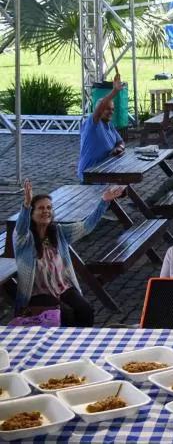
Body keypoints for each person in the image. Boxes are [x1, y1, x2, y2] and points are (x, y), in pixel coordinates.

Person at [14, 180, 125, 326]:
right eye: (41, 208)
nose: (46, 211)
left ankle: (83, 339)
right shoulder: (24, 240)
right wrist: (26, 205)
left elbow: (86, 227)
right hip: (37, 293)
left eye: (49, 207)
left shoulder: (58, 231)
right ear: (31, 213)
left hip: (62, 287)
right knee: (66, 315)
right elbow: (20, 229)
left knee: (86, 310)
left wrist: (104, 202)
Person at [77, 72, 125, 181]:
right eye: (107, 109)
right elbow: (102, 105)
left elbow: (120, 142)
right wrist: (114, 91)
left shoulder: (109, 125)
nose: (111, 112)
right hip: (89, 174)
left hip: (105, 172)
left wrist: (119, 148)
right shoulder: (92, 123)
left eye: (112, 109)